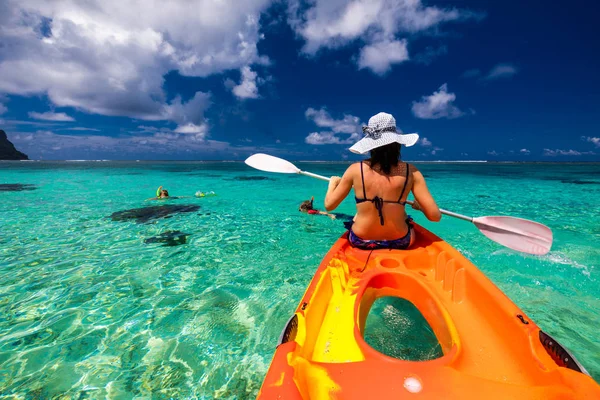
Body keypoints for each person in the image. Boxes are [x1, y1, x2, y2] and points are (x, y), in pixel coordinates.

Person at [324, 112, 441, 250]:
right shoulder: (412, 172)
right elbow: (435, 216)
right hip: (401, 241)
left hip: (360, 240)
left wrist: (332, 184)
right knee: (403, 215)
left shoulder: (355, 170)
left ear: (371, 145)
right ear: (397, 143)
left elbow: (329, 206)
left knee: (357, 215)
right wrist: (420, 207)